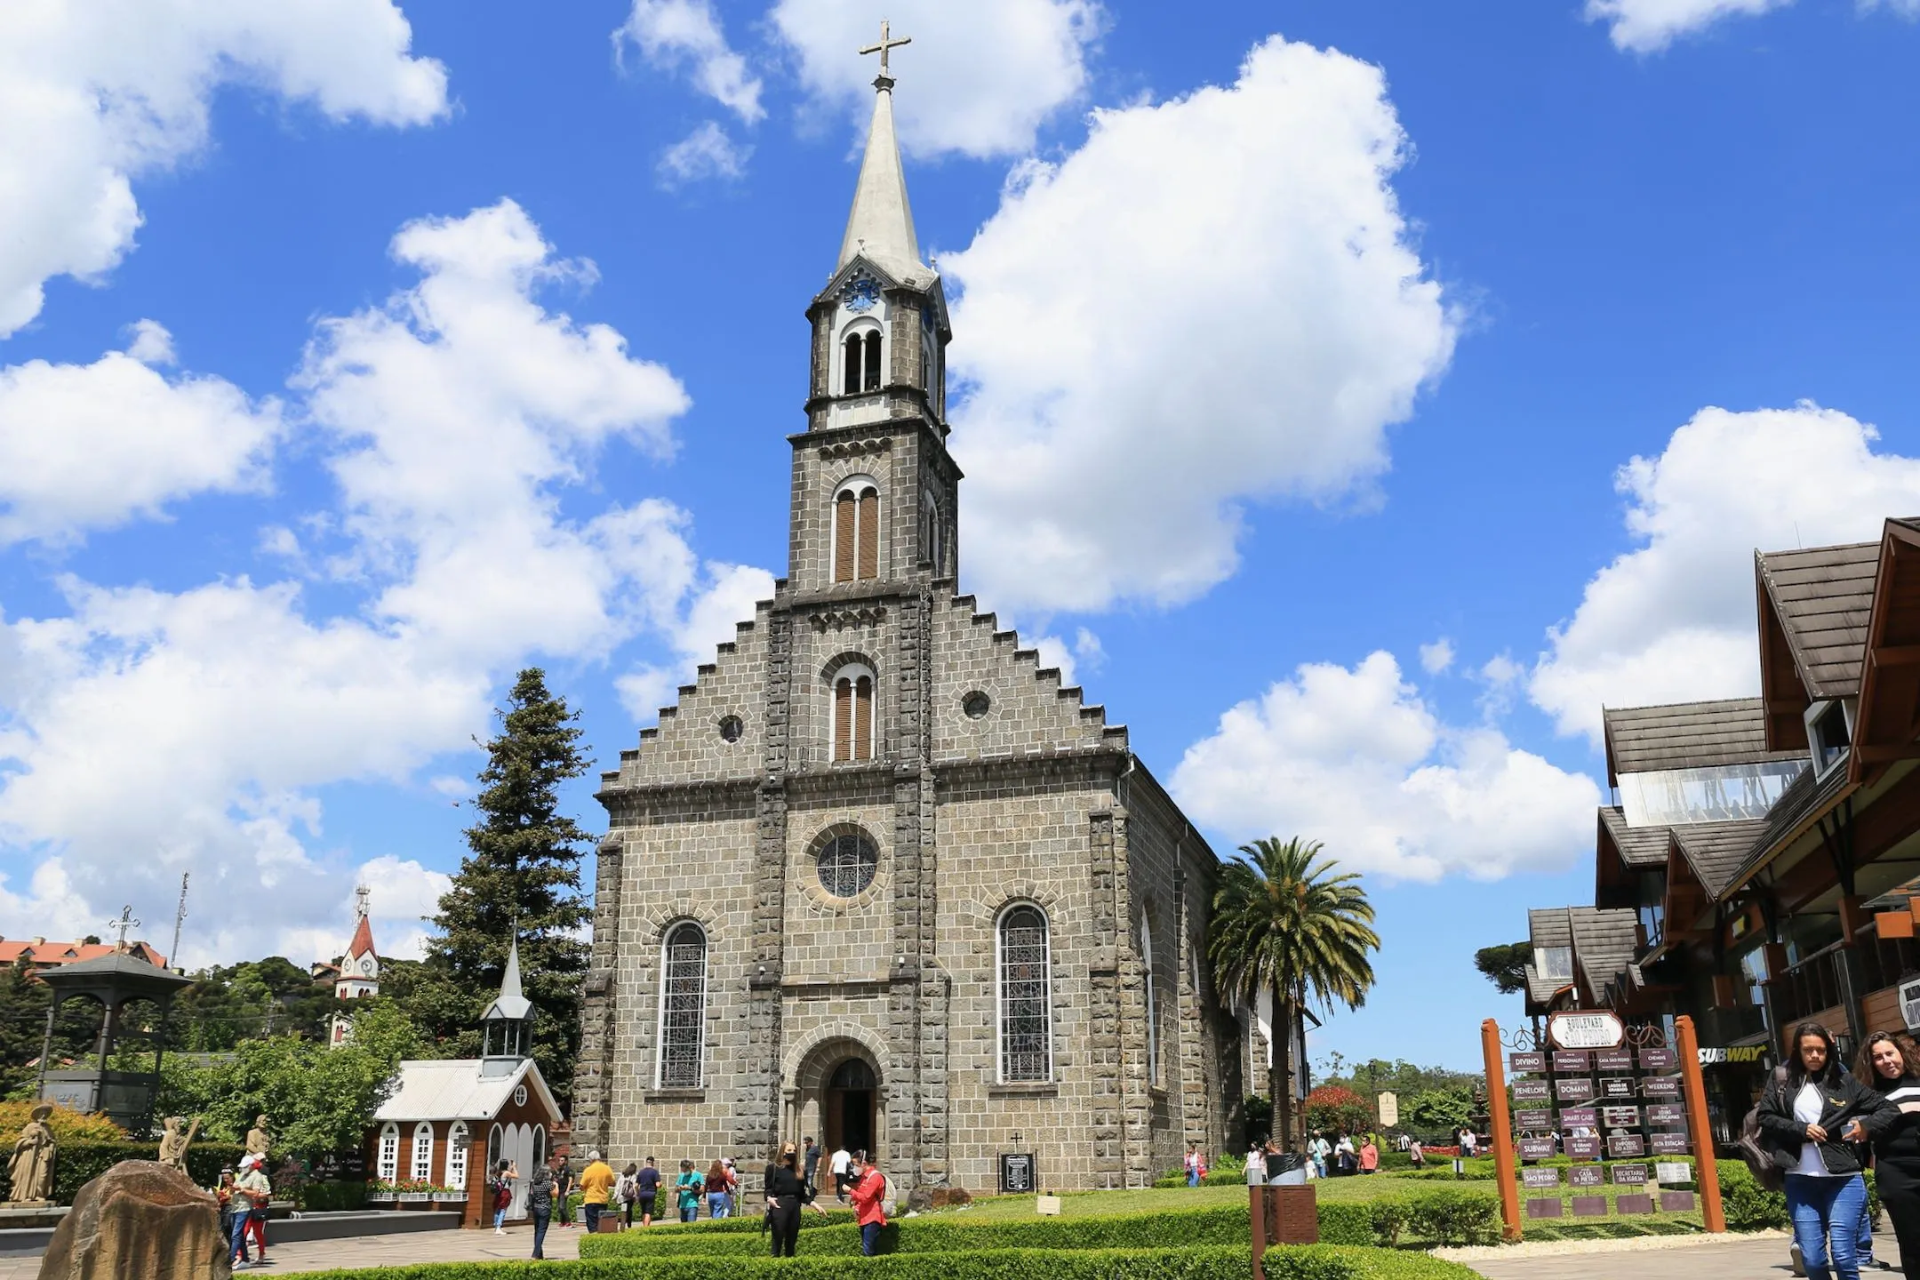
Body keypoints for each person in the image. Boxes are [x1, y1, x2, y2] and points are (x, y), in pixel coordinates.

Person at [1758, 1020, 1897, 1280]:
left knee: (1845, 1255)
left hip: (1844, 1178)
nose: (1815, 1056)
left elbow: (1888, 1109)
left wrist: (1864, 1126)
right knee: (1812, 1258)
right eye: (1808, 1050)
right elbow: (1765, 1116)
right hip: (1800, 1180)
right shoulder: (1782, 1080)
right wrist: (1801, 1129)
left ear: (1828, 1050)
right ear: (1797, 1051)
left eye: (1820, 1050)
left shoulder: (1844, 1081)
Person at [1855, 1030, 1920, 1274]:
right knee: (1912, 1241)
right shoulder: (1867, 1095)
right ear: (1871, 1063)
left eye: (1889, 1053)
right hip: (1896, 1171)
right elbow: (1856, 1134)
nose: (1887, 1060)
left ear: (1900, 1053)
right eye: (1878, 1057)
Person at [764, 1141, 823, 1258]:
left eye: (794, 1151)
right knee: (778, 1238)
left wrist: (815, 1205)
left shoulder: (800, 1170)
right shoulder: (773, 1168)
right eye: (789, 1150)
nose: (792, 1153)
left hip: (795, 1206)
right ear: (783, 1152)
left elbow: (802, 1195)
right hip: (779, 1204)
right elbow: (768, 1190)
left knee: (791, 1240)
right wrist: (769, 1199)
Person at [232, 1153, 272, 1269]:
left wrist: (254, 1195)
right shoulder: (243, 1176)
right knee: (243, 1232)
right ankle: (240, 1256)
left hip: (258, 1208)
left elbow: (266, 1193)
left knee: (258, 1233)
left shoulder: (262, 1177)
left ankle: (261, 1253)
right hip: (246, 1207)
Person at [848, 1149, 888, 1256]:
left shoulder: (875, 1177)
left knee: (868, 1251)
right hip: (864, 1217)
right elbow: (861, 1197)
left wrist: (850, 1191)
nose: (854, 1168)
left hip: (872, 1217)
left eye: (856, 1164)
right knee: (867, 1249)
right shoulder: (863, 1178)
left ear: (864, 1163)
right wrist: (856, 1207)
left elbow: (866, 1197)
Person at [527, 1154, 558, 1259]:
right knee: (541, 1232)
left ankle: (539, 1254)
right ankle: (535, 1253)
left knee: (537, 1231)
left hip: (536, 1208)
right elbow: (555, 1194)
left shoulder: (535, 1183)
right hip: (545, 1208)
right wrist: (556, 1184)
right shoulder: (547, 1183)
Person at [579, 1149, 615, 1234]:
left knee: (592, 1224)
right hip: (603, 1200)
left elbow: (581, 1186)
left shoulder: (588, 1170)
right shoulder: (607, 1168)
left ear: (591, 1160)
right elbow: (613, 1183)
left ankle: (593, 1239)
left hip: (591, 1200)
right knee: (601, 1223)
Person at [216, 1169, 246, 1267]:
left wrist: (228, 1197)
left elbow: (238, 1197)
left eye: (227, 1178)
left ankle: (234, 1255)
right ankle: (230, 1253)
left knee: (232, 1231)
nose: (226, 1180)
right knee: (225, 1230)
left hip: (232, 1208)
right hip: (224, 1208)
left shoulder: (236, 1185)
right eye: (224, 1178)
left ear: (232, 1177)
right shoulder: (223, 1186)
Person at [491, 1159, 518, 1234]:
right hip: (505, 1193)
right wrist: (514, 1167)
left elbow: (508, 1174)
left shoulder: (498, 1173)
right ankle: (499, 1227)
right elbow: (516, 1176)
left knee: (498, 1209)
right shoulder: (506, 1173)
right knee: (503, 1209)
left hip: (498, 1193)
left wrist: (511, 1168)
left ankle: (496, 1226)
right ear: (506, 1165)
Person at [636, 1156, 661, 1227]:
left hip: (642, 1193)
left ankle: (645, 1225)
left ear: (646, 1162)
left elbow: (636, 1185)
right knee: (648, 1212)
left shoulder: (641, 1172)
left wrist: (638, 1193)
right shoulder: (655, 1172)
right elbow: (658, 1185)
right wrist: (660, 1184)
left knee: (643, 1212)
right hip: (650, 1193)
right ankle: (646, 1228)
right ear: (653, 1163)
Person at [555, 1156, 575, 1228]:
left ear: (566, 1161)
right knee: (559, 1207)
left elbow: (570, 1180)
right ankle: (562, 1222)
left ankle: (568, 1222)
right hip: (559, 1190)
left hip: (564, 1190)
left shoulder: (568, 1170)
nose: (560, 1162)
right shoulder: (559, 1170)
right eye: (560, 1160)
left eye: (562, 1160)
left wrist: (568, 1190)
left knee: (562, 1206)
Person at [619, 1161, 640, 1227]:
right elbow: (634, 1186)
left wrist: (616, 1195)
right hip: (630, 1196)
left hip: (622, 1195)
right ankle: (629, 1224)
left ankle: (623, 1224)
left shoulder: (622, 1175)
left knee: (623, 1210)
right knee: (629, 1210)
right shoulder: (633, 1176)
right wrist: (637, 1196)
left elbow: (618, 1185)